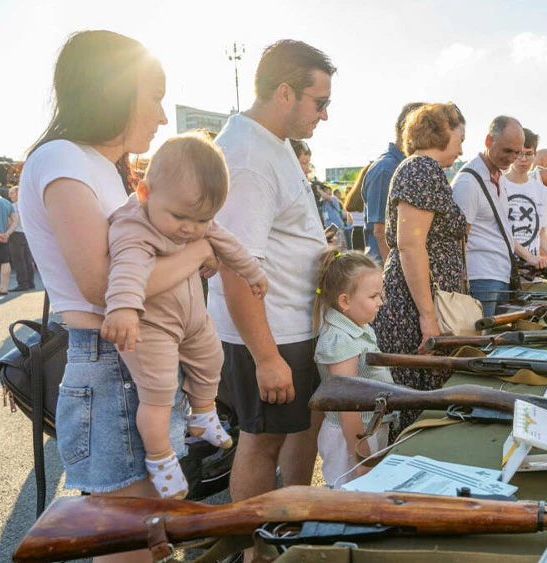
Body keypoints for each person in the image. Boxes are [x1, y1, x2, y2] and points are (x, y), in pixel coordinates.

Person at [19, 30, 211, 563]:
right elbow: (103, 286)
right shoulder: (63, 158)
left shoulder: (99, 167)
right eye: (155, 95)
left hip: (133, 360)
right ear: (113, 90)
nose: (163, 116)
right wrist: (198, 253)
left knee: (146, 524)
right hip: (111, 362)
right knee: (127, 530)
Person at [207, 41, 335, 547]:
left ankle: (281, 535)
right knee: (261, 444)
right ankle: (254, 549)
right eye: (319, 102)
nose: (324, 115)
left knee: (288, 433)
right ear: (285, 92)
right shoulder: (248, 157)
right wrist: (265, 357)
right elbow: (237, 268)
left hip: (288, 323)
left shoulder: (271, 141)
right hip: (270, 332)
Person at [100, 134, 267, 499]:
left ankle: (203, 415)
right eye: (179, 217)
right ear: (145, 193)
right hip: (151, 327)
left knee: (213, 358)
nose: (190, 228)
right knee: (158, 393)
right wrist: (124, 308)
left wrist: (252, 272)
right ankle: (160, 459)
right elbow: (126, 268)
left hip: (192, 319)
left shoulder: (195, 221)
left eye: (203, 219)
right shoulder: (133, 225)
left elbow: (228, 244)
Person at [372, 102, 467, 434]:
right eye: (460, 136)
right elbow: (410, 245)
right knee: (418, 415)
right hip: (415, 313)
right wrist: (428, 317)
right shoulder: (421, 169)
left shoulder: (423, 169)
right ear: (442, 131)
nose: (461, 147)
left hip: (420, 307)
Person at [451, 116, 547, 316]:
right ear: (489, 141)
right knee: (481, 342)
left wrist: (528, 257)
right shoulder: (468, 182)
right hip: (480, 278)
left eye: (517, 152)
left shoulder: (499, 177)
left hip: (499, 274)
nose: (513, 157)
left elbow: (502, 229)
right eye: (507, 150)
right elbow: (457, 242)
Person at [313, 248, 392, 485]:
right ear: (345, 301)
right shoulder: (340, 339)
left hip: (367, 429)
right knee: (349, 496)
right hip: (353, 437)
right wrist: (362, 458)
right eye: (373, 297)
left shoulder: (355, 325)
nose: (380, 302)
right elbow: (347, 405)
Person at [362, 102, 424, 264]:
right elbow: (380, 231)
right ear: (406, 129)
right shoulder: (386, 169)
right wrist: (395, 276)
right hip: (386, 268)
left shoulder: (410, 166)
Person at [503, 129, 547, 265]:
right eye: (519, 153)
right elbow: (501, 232)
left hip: (531, 269)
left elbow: (541, 235)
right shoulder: (499, 185)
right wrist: (529, 257)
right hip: (502, 266)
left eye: (528, 154)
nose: (523, 159)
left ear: (535, 154)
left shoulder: (541, 191)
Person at [6, 186, 36, 291]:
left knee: (18, 260)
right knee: (28, 259)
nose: (9, 195)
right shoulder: (29, 206)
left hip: (16, 233)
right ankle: (30, 282)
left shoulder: (12, 207)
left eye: (11, 193)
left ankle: (23, 283)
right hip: (27, 234)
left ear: (17, 194)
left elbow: (10, 222)